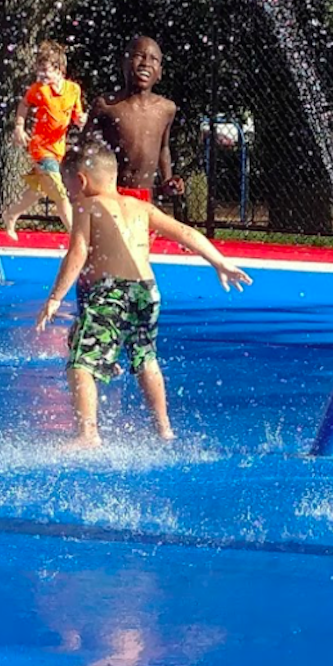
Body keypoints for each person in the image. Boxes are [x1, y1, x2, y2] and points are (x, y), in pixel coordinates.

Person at [35, 141, 252, 449]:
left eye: (69, 188)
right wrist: (220, 262)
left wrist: (55, 297)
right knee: (146, 357)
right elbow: (187, 233)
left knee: (81, 361)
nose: (70, 195)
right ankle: (164, 429)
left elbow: (78, 252)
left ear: (81, 181)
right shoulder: (141, 207)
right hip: (147, 292)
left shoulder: (87, 205)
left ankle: (88, 434)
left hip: (111, 290)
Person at [82, 36, 185, 204]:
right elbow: (86, 146)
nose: (146, 63)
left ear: (159, 72)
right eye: (139, 55)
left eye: (153, 59)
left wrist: (168, 180)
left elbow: (163, 149)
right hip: (109, 193)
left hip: (145, 196)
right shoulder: (106, 105)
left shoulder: (166, 109)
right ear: (125, 63)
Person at [2, 40, 86, 240]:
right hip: (40, 148)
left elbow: (76, 116)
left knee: (37, 191)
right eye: (39, 72)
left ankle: (10, 214)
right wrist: (19, 128)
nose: (42, 76)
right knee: (59, 191)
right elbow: (23, 105)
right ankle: (76, 235)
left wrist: (81, 120)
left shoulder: (73, 90)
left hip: (58, 150)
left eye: (46, 71)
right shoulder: (39, 89)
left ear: (60, 70)